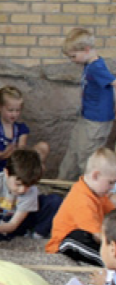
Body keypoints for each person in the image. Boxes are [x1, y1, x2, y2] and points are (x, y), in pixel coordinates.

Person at [58, 28, 115, 181]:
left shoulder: (97, 67)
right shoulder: (89, 64)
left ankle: (92, 190)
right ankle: (61, 184)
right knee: (74, 150)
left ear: (86, 49)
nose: (72, 60)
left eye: (73, 56)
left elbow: (113, 82)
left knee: (86, 157)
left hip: (96, 121)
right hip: (86, 117)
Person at [46, 148, 116, 266]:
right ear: (96, 175)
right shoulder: (81, 200)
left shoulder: (98, 193)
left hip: (92, 235)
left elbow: (112, 213)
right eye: (110, 182)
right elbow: (98, 235)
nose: (112, 187)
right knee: (79, 237)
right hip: (63, 243)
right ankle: (109, 261)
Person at [0, 149, 62, 241]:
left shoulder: (31, 191)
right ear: (7, 173)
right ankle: (24, 232)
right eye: (18, 184)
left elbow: (13, 224)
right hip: (6, 216)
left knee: (55, 201)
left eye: (28, 185)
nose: (22, 190)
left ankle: (38, 232)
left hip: (27, 216)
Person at [0, 85, 50, 175]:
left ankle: (33, 171)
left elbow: (21, 152)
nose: (14, 114)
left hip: (15, 167)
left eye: (17, 110)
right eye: (10, 110)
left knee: (43, 146)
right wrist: (1, 154)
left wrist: (15, 153)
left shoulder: (21, 129)